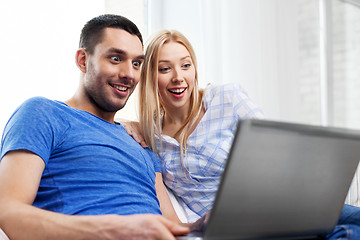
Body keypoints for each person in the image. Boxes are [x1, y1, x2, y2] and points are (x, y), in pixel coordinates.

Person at [125, 29, 360, 239]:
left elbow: (275, 145)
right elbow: (172, 221)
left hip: (279, 202)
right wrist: (130, 123)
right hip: (235, 227)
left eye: (185, 65)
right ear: (150, 78)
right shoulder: (151, 138)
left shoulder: (225, 98)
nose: (178, 76)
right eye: (165, 69)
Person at [0, 15, 190, 240]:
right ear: (82, 60)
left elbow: (175, 228)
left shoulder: (141, 142)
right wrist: (115, 229)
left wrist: (213, 224)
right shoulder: (43, 113)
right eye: (116, 58)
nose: (129, 73)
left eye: (136, 63)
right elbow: (7, 210)